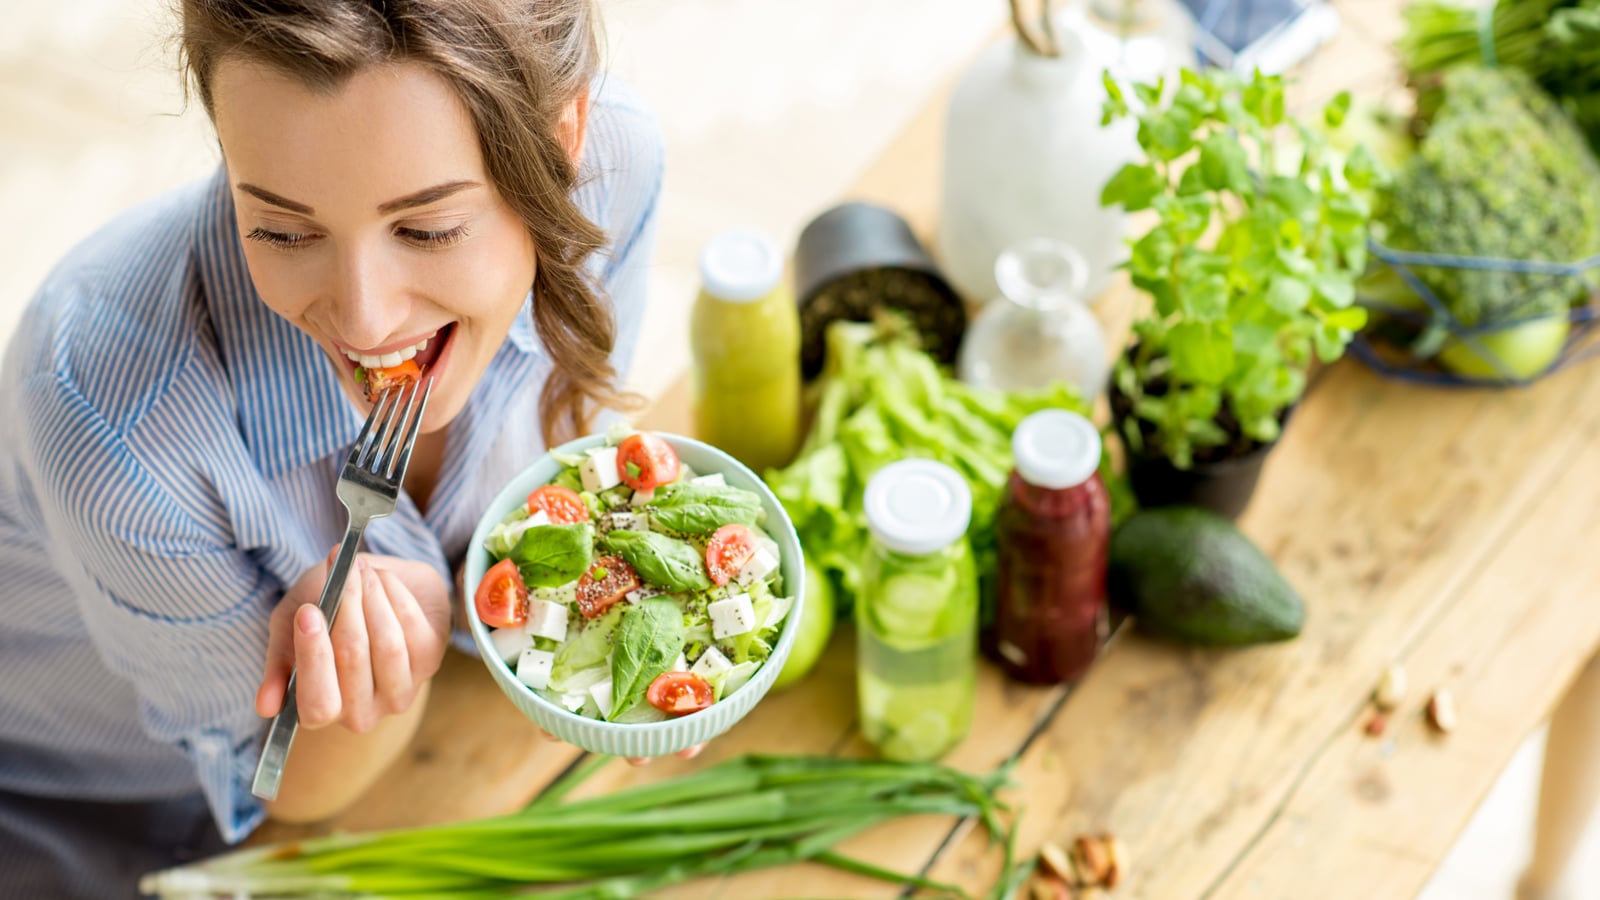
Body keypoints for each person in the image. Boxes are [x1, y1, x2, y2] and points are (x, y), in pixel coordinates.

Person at [0, 1, 665, 895]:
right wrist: (380, 651)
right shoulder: (107, 416)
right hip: (81, 815)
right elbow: (280, 788)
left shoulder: (615, 172)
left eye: (428, 229)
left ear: (565, 139)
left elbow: (560, 483)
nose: (361, 318)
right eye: (281, 230)